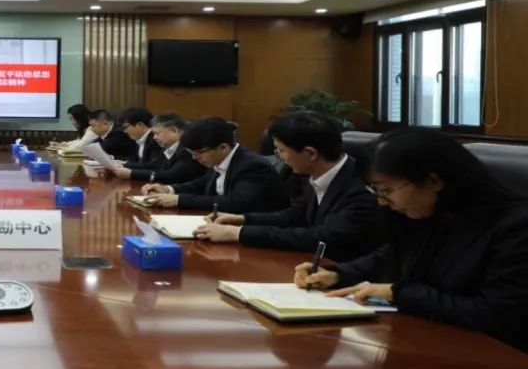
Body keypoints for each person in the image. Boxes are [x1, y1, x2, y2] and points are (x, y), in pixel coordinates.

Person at [294, 127, 528, 352]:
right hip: (429, 342)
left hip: (492, 357)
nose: (382, 202)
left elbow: (494, 314)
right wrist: (338, 274)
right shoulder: (426, 213)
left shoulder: (514, 228)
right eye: (376, 191)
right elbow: (392, 255)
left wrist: (399, 293)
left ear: (433, 181)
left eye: (386, 190)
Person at [194, 112, 384, 261]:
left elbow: (320, 237)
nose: (279, 157)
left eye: (281, 151)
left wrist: (239, 234)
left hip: (346, 276)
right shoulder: (317, 174)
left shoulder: (360, 188)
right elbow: (293, 215)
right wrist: (242, 220)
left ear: (310, 153)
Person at [140, 117, 285, 212]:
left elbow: (235, 202)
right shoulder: (219, 160)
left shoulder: (253, 166)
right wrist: (168, 189)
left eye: (199, 152)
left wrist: (179, 200)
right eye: (192, 153)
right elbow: (201, 184)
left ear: (223, 147)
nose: (194, 158)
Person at [111, 112, 203, 183]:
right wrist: (123, 165)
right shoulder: (167, 147)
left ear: (174, 131)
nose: (154, 137)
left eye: (158, 133)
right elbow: (153, 165)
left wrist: (132, 173)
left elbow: (172, 175)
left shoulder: (187, 149)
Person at [110, 107, 162, 174]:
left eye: (126, 127)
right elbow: (136, 161)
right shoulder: (139, 139)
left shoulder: (155, 140)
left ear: (140, 125)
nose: (125, 131)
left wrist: (124, 164)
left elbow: (152, 166)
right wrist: (118, 161)